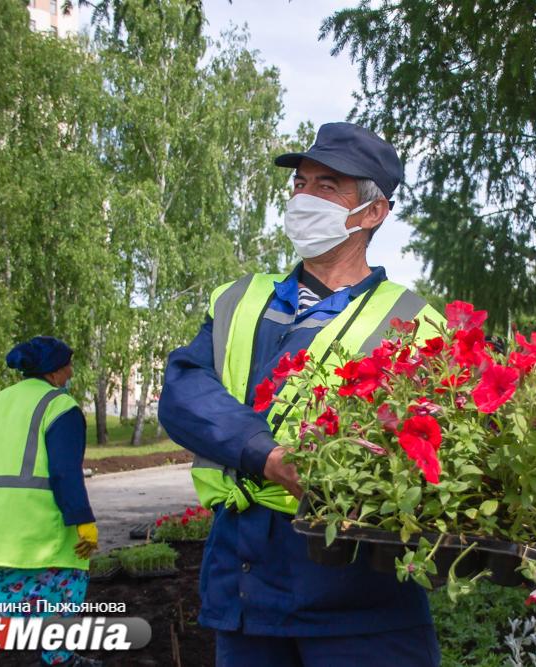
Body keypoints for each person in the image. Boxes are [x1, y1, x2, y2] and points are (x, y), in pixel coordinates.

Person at [159, 122, 445, 667]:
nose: (304, 197)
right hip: (244, 585)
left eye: (327, 185)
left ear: (373, 212)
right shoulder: (242, 298)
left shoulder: (413, 320)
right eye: (300, 183)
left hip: (360, 602)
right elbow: (184, 392)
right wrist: (267, 455)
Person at [0, 336, 101, 667]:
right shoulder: (60, 406)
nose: (71, 371)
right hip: (33, 530)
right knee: (63, 590)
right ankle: (60, 658)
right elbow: (64, 471)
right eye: (68, 364)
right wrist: (83, 520)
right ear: (55, 371)